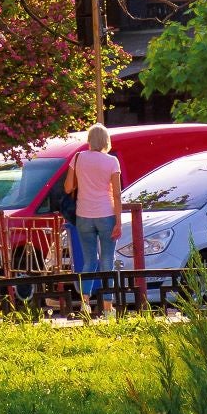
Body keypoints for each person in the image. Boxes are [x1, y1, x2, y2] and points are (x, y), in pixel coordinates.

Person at [65, 123, 122, 317]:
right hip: (106, 214)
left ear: (89, 140)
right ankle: (107, 307)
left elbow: (67, 187)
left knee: (89, 261)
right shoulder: (112, 161)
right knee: (107, 260)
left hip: (83, 215)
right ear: (106, 140)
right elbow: (117, 194)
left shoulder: (78, 158)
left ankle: (85, 304)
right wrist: (118, 221)